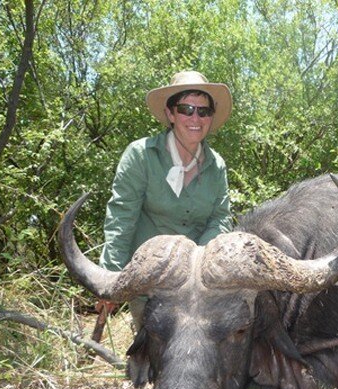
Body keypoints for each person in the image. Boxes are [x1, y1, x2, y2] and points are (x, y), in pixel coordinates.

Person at [96, 71, 234, 327]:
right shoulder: (140, 155)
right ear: (170, 114)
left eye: (203, 111)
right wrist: (110, 279)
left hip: (195, 287)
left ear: (210, 117)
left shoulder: (217, 166)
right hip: (147, 283)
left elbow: (220, 218)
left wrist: (199, 264)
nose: (195, 118)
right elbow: (121, 219)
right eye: (186, 109)